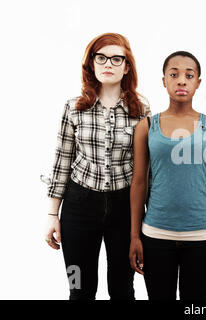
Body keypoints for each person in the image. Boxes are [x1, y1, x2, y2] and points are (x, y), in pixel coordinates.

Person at [44, 33, 150, 300]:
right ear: (91, 63)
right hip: (79, 207)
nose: (108, 64)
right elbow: (62, 160)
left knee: (122, 289)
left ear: (127, 66)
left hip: (125, 208)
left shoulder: (142, 109)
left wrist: (148, 217)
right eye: (101, 57)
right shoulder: (74, 108)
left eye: (116, 59)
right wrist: (51, 215)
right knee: (79, 287)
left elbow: (145, 168)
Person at [129, 51, 206, 300]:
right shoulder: (146, 126)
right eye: (174, 74)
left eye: (189, 75)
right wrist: (134, 235)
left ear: (198, 82)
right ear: (164, 80)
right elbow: (139, 181)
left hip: (203, 234)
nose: (181, 81)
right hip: (155, 233)